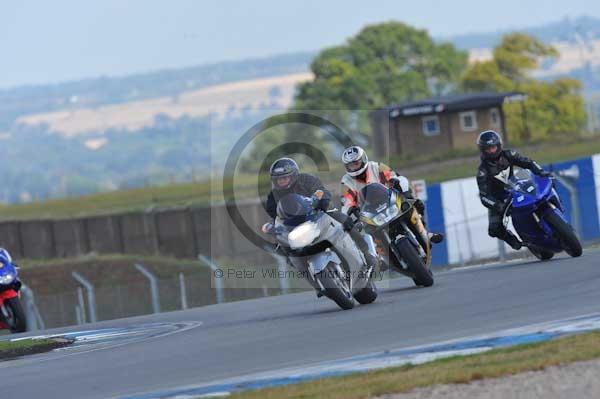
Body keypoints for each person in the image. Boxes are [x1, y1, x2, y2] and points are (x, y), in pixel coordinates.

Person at [263, 157, 379, 269]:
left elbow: (321, 190)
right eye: (278, 179)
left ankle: (367, 253)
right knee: (283, 248)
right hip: (296, 226)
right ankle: (317, 283)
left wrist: (322, 200)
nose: (281, 181)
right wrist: (274, 227)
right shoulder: (273, 196)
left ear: (293, 175)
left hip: (319, 213)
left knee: (345, 221)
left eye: (284, 178)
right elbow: (275, 216)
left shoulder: (306, 180)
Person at [339, 145, 444, 244]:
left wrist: (394, 182)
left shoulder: (376, 166)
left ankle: (425, 234)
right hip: (369, 214)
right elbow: (346, 201)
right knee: (360, 231)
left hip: (391, 202)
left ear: (363, 159)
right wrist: (350, 211)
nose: (354, 167)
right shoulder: (346, 181)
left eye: (356, 163)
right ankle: (377, 257)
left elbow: (393, 176)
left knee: (408, 192)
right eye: (351, 165)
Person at [476, 130, 552, 250]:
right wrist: (498, 205)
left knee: (540, 194)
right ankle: (513, 240)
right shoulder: (482, 171)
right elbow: (484, 196)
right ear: (483, 150)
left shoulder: (509, 154)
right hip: (499, 198)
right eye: (488, 149)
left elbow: (528, 163)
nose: (492, 151)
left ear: (499, 145)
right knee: (494, 229)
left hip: (516, 187)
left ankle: (554, 210)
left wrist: (540, 171)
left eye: (493, 147)